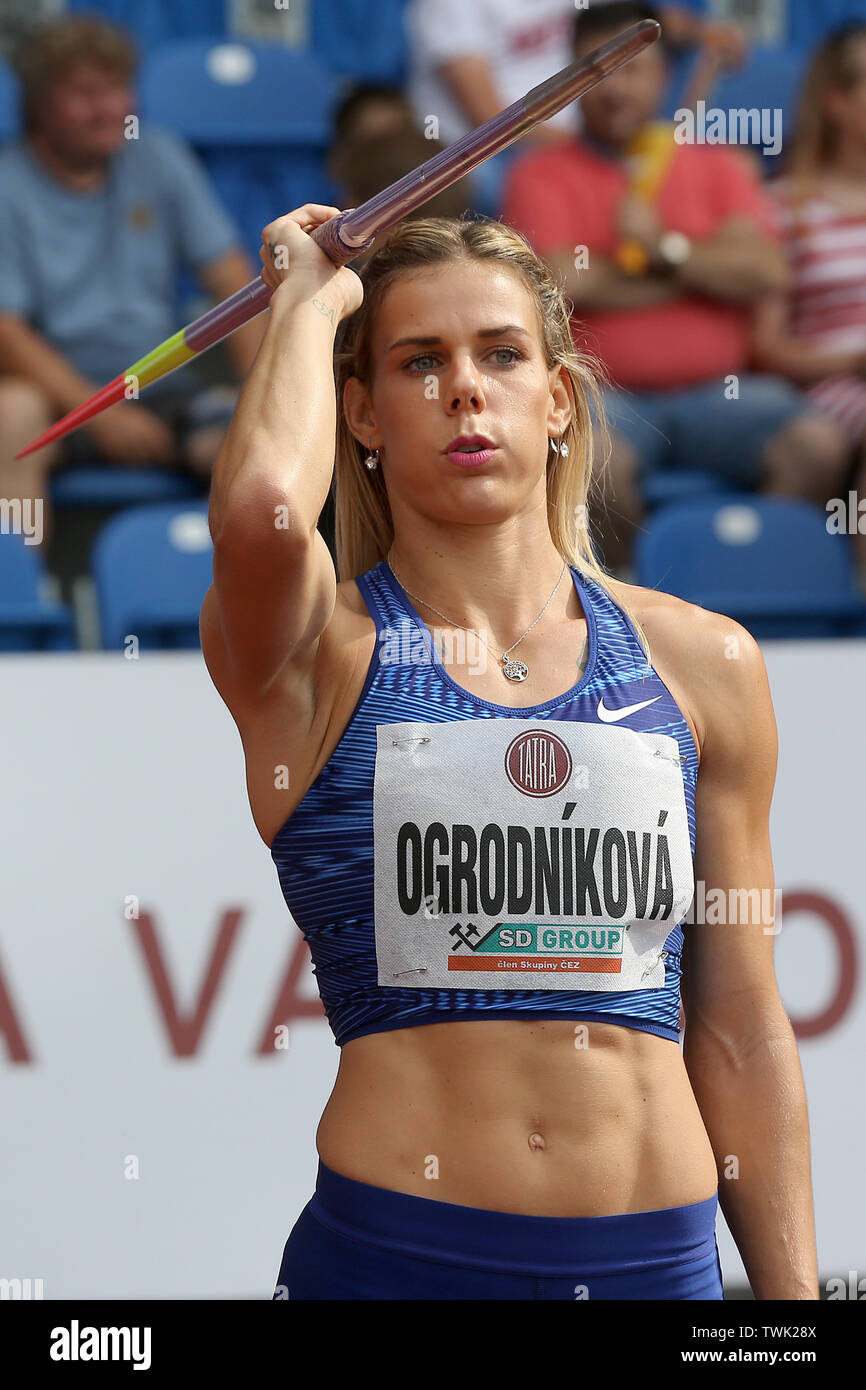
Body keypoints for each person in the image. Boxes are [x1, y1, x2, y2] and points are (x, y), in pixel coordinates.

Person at [200, 203, 819, 1301]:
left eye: (499, 354)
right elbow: (261, 513)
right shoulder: (315, 653)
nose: (464, 389)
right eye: (417, 362)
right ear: (362, 415)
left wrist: (787, 1308)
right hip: (397, 1259)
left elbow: (737, 1026)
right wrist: (308, 299)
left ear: (559, 399)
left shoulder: (702, 662)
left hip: (656, 1268)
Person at [502, 1, 850, 570]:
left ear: (663, 76)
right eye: (595, 71)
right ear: (567, 81)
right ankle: (633, 610)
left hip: (726, 393)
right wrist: (700, 275)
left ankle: (744, 582)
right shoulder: (538, 172)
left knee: (818, 445)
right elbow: (560, 283)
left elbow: (766, 271)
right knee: (588, 468)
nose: (614, 89)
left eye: (632, 69)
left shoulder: (718, 165)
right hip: (602, 398)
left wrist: (663, 249)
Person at [0, 15, 266, 548]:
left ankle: (244, 612)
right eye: (83, 93)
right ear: (39, 105)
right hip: (60, 396)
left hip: (165, 384)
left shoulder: (158, 156)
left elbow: (237, 288)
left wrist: (260, 392)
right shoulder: (8, 184)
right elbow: (7, 333)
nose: (107, 109)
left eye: (117, 89)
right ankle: (20, 597)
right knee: (11, 413)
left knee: (253, 442)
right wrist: (98, 415)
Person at [404, 0, 748, 217]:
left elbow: (631, 19)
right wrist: (592, 147)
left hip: (590, 129)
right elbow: (491, 118)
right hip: (488, 150)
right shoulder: (446, 6)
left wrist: (706, 32)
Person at [752, 23, 866, 586]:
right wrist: (851, 362)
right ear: (836, 102)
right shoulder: (785, 205)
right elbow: (766, 348)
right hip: (831, 385)